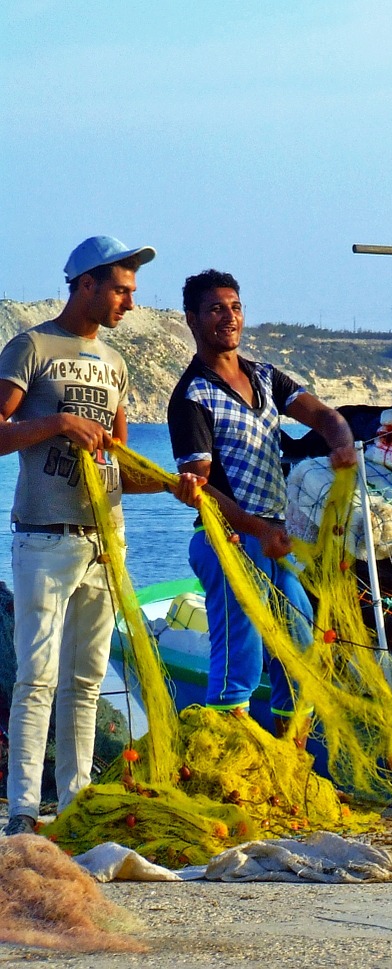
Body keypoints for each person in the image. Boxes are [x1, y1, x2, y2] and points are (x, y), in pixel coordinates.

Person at [2, 236, 161, 836]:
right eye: (120, 290)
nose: (128, 303)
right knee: (35, 676)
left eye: (132, 293)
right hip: (45, 537)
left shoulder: (116, 364)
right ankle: (22, 810)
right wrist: (58, 422)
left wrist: (176, 483)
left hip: (105, 542)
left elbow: (119, 462)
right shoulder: (32, 346)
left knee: (87, 681)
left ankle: (75, 803)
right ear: (85, 284)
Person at [168, 269, 356, 734]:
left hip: (272, 537)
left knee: (299, 643)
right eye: (215, 309)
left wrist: (341, 439)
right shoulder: (193, 395)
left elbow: (322, 415)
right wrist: (258, 529)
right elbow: (200, 488)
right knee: (241, 654)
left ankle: (292, 757)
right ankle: (229, 763)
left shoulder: (266, 377)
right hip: (227, 539)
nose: (228, 317)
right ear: (192, 320)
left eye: (234, 307)